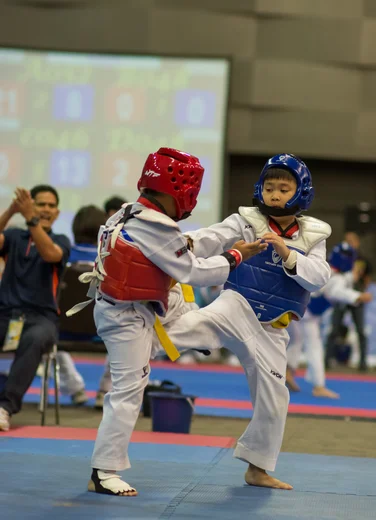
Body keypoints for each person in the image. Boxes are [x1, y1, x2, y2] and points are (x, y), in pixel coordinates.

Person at [69, 147, 267, 496]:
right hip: (127, 318)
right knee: (128, 392)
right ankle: (104, 471)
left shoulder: (129, 211)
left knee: (197, 316)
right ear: (179, 190)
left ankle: (201, 335)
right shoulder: (154, 224)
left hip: (143, 307)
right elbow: (193, 270)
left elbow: (185, 248)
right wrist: (236, 254)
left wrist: (233, 231)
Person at [151, 153, 331, 490]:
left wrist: (289, 254)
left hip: (272, 328)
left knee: (275, 396)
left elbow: (319, 277)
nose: (275, 194)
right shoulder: (245, 220)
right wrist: (186, 242)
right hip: (237, 305)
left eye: (284, 188)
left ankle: (257, 467)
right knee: (195, 327)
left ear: (301, 191)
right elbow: (212, 236)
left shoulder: (314, 235)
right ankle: (144, 340)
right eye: (269, 187)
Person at [0, 185, 70, 431]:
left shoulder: (60, 241)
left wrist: (31, 218)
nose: (46, 209)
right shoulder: (13, 237)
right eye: (40, 204)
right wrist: (11, 211)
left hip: (41, 319)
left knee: (37, 338)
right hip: (6, 314)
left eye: (51, 206)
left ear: (58, 213)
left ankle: (4, 408)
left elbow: (50, 254)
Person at [286, 242, 373, 398]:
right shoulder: (335, 276)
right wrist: (358, 296)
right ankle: (318, 386)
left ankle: (287, 372)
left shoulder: (328, 269)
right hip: (306, 313)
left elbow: (342, 283)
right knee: (313, 346)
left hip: (298, 308)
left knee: (295, 341)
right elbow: (339, 291)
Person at [56, 205, 110, 407]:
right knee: (126, 331)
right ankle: (105, 391)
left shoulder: (60, 257)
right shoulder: (111, 260)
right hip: (102, 332)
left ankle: (74, 388)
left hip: (62, 331)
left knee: (45, 334)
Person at [325, 232, 373, 371]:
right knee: (334, 329)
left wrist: (362, 292)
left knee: (361, 331)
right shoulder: (339, 256)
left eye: (352, 241)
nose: (350, 243)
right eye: (347, 240)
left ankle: (363, 363)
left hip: (357, 298)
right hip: (340, 297)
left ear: (357, 243)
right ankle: (326, 360)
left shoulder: (363, 259)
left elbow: (367, 277)